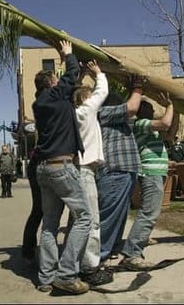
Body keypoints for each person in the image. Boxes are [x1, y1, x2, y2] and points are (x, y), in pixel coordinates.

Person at [32, 40, 92, 295]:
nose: (60, 82)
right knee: (85, 217)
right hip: (62, 167)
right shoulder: (55, 95)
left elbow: (71, 83)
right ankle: (67, 274)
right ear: (51, 83)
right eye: (56, 80)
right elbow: (70, 76)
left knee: (49, 224)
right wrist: (68, 55)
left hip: (44, 169)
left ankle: (45, 278)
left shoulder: (40, 104)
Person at [119, 93, 178, 271]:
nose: (153, 111)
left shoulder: (150, 128)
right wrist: (170, 105)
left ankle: (136, 245)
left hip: (156, 173)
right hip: (150, 173)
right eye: (150, 108)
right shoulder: (140, 124)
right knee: (149, 213)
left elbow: (170, 133)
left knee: (150, 212)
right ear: (143, 111)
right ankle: (132, 254)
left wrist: (177, 111)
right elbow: (165, 123)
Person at [71, 59, 112, 286]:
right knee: (91, 221)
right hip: (85, 171)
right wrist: (98, 73)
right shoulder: (86, 111)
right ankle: (90, 267)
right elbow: (102, 91)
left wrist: (78, 77)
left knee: (77, 221)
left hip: (77, 169)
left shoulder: (73, 114)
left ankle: (74, 263)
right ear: (85, 99)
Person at [96, 74, 144, 264]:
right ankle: (96, 258)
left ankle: (110, 251)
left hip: (125, 171)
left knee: (119, 215)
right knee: (109, 217)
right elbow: (132, 107)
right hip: (115, 171)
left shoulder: (116, 118)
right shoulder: (103, 112)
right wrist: (138, 87)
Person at [21, 147, 41, 265]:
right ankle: (28, 251)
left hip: (40, 164)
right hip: (38, 166)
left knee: (40, 211)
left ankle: (29, 251)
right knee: (39, 210)